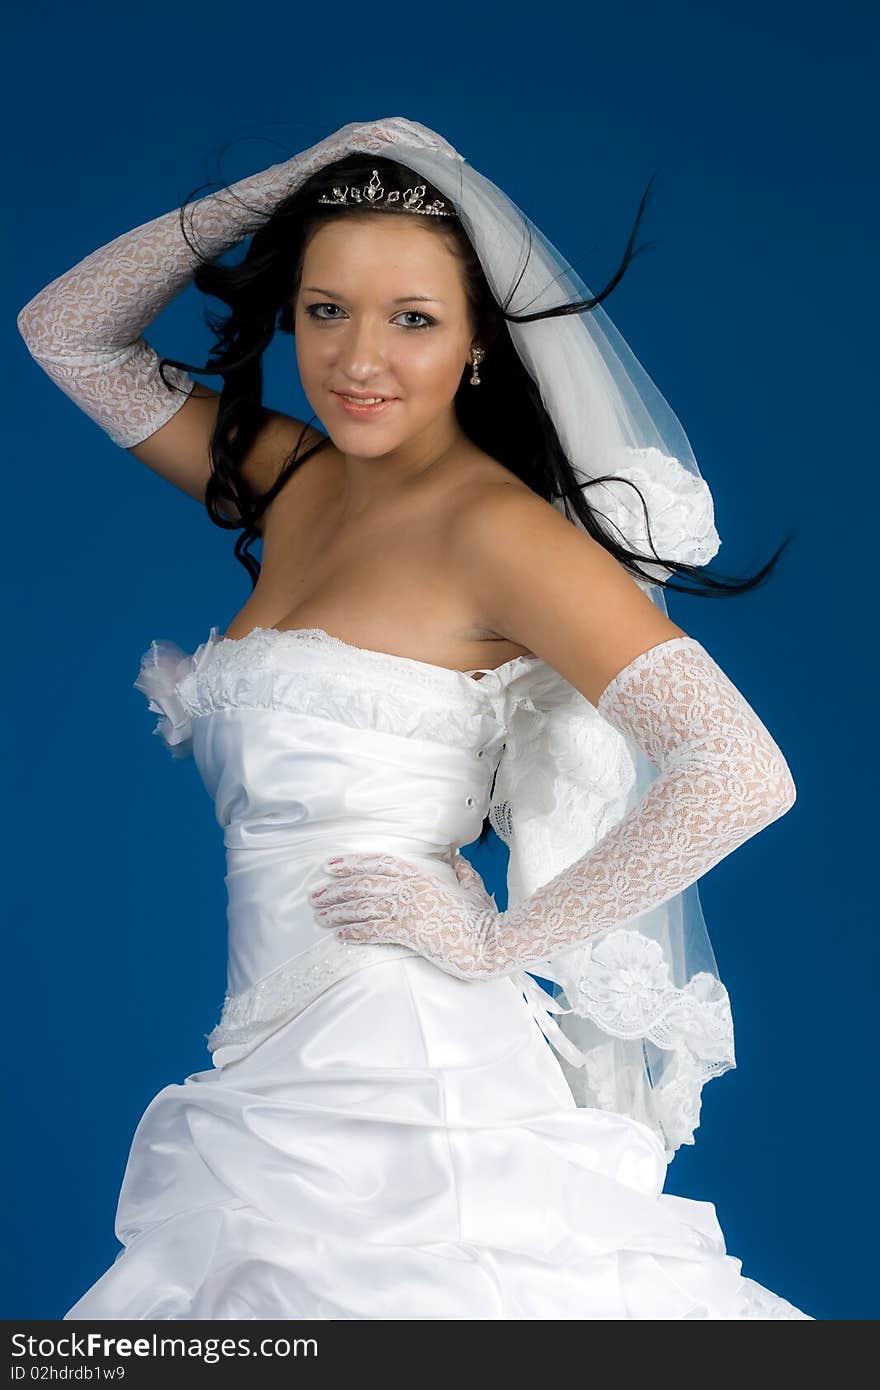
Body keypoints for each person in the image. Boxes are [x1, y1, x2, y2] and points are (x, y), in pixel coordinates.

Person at [17, 115, 813, 1320]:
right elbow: (63, 333)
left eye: (413, 318)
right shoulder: (294, 480)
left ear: (481, 343)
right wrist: (290, 181)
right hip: (272, 1069)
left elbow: (740, 769)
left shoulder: (497, 531)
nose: (357, 359)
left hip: (407, 1076)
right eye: (324, 308)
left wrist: (504, 945)